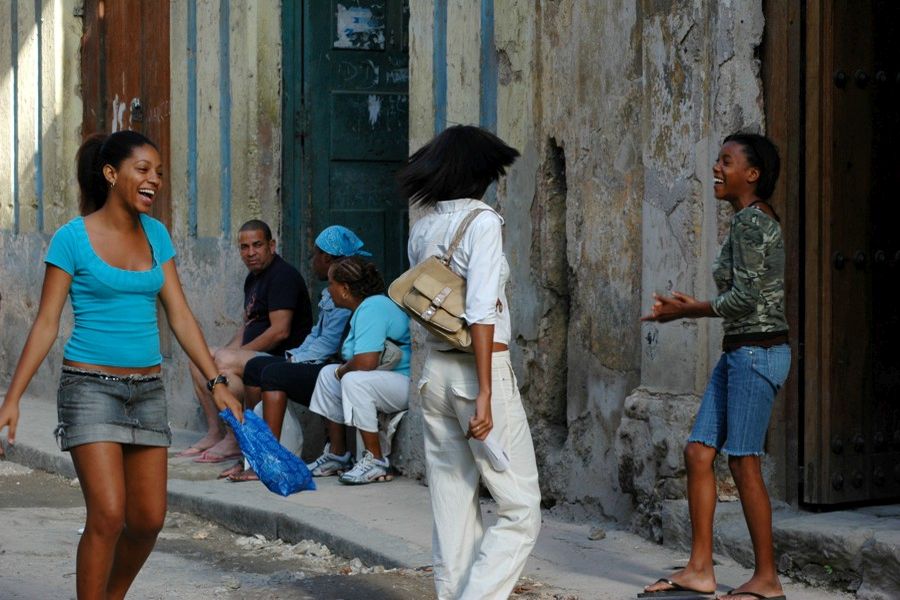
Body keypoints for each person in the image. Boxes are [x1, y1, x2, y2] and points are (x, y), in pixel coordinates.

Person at [0, 131, 243, 600]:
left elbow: (180, 314)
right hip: (89, 390)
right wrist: (13, 398)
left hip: (147, 392)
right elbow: (47, 323)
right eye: (143, 169)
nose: (154, 180)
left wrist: (216, 381)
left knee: (149, 519)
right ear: (112, 174)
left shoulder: (157, 235)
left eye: (158, 173)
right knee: (109, 514)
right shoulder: (72, 239)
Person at [640, 133, 789, 600]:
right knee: (699, 453)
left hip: (756, 352)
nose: (716, 169)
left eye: (726, 161)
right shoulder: (749, 221)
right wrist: (695, 307)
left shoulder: (751, 222)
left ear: (753, 174)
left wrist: (687, 310)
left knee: (744, 462)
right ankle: (700, 568)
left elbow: (745, 298)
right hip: (739, 351)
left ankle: (767, 579)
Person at [398, 125, 542, 600]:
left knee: (454, 509)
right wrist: (484, 393)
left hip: (435, 375)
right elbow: (480, 310)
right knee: (520, 510)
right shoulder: (483, 222)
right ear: (480, 174)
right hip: (479, 376)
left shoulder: (422, 228)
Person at [224, 225, 370, 481]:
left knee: (272, 374)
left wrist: (296, 359)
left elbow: (328, 344)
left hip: (330, 366)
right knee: (254, 368)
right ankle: (253, 453)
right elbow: (316, 335)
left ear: (326, 258)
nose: (312, 261)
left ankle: (270, 459)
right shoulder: (329, 293)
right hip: (318, 363)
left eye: (315, 255)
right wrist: (295, 354)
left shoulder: (344, 296)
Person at [180, 220, 312, 463]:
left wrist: (233, 356)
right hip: (256, 357)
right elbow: (248, 326)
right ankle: (215, 432)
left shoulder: (283, 276)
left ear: (271, 245)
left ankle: (234, 438)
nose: (250, 253)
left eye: (257, 245)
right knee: (199, 360)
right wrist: (227, 352)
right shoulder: (253, 278)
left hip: (282, 360)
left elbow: (280, 332)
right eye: (244, 247)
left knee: (222, 361)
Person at [305, 256, 411, 485]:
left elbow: (365, 363)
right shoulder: (365, 308)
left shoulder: (373, 307)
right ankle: (337, 454)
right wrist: (338, 372)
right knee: (326, 375)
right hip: (384, 381)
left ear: (344, 289)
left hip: (403, 383)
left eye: (331, 284)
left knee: (352, 380)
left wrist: (342, 371)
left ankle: (375, 459)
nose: (328, 289)